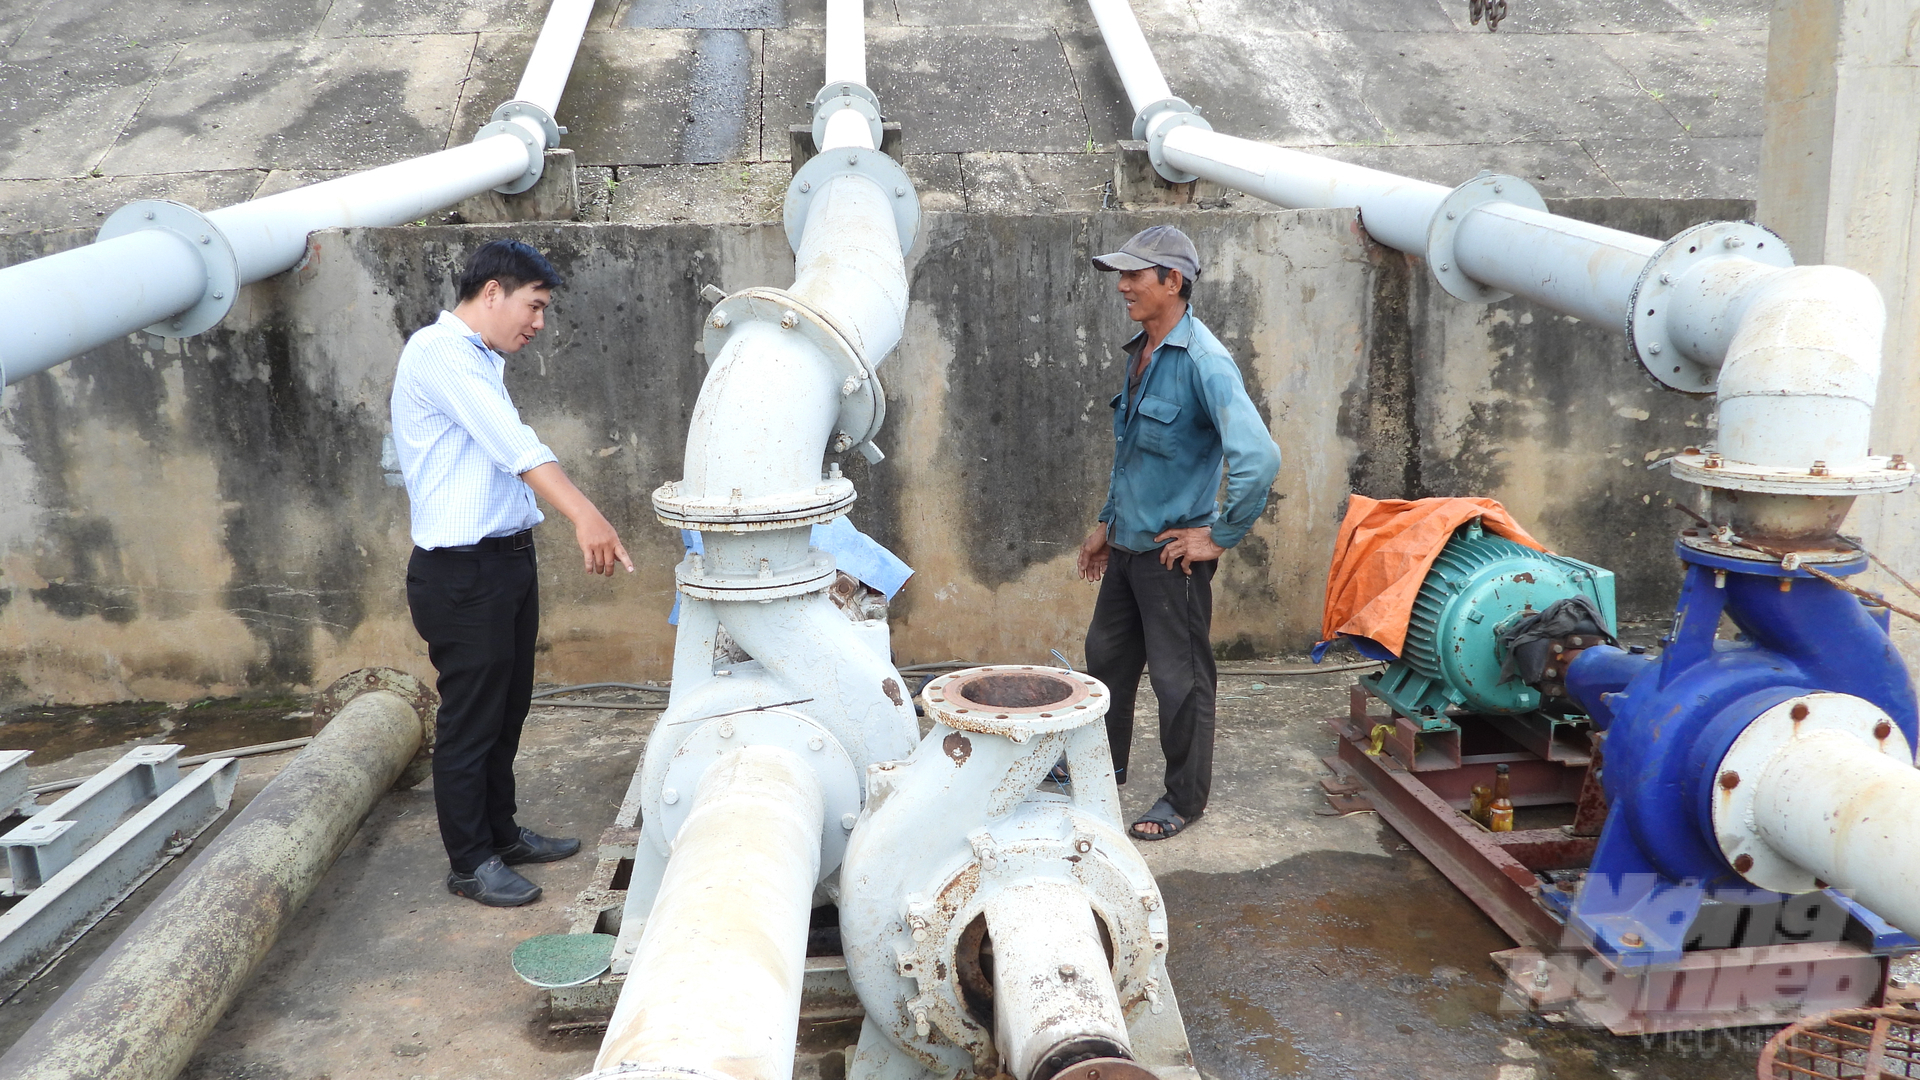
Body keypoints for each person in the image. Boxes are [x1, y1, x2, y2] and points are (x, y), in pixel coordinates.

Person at [391, 240, 634, 906]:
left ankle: (501, 834)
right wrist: (587, 515)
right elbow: (515, 447)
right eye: (534, 305)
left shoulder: (477, 360)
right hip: (462, 573)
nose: (538, 324)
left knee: (507, 711)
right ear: (492, 291)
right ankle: (471, 861)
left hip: (502, 563)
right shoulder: (444, 355)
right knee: (473, 721)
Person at [1076, 225, 1281, 841]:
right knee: (1105, 660)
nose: (1124, 285)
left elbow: (1259, 457)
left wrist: (1219, 535)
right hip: (1128, 548)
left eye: (1137, 274)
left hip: (1173, 558)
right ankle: (1098, 770)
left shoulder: (1204, 362)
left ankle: (1184, 799)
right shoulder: (1143, 351)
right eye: (1121, 273)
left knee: (1179, 681)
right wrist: (1106, 524)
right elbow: (1134, 455)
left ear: (1174, 281)